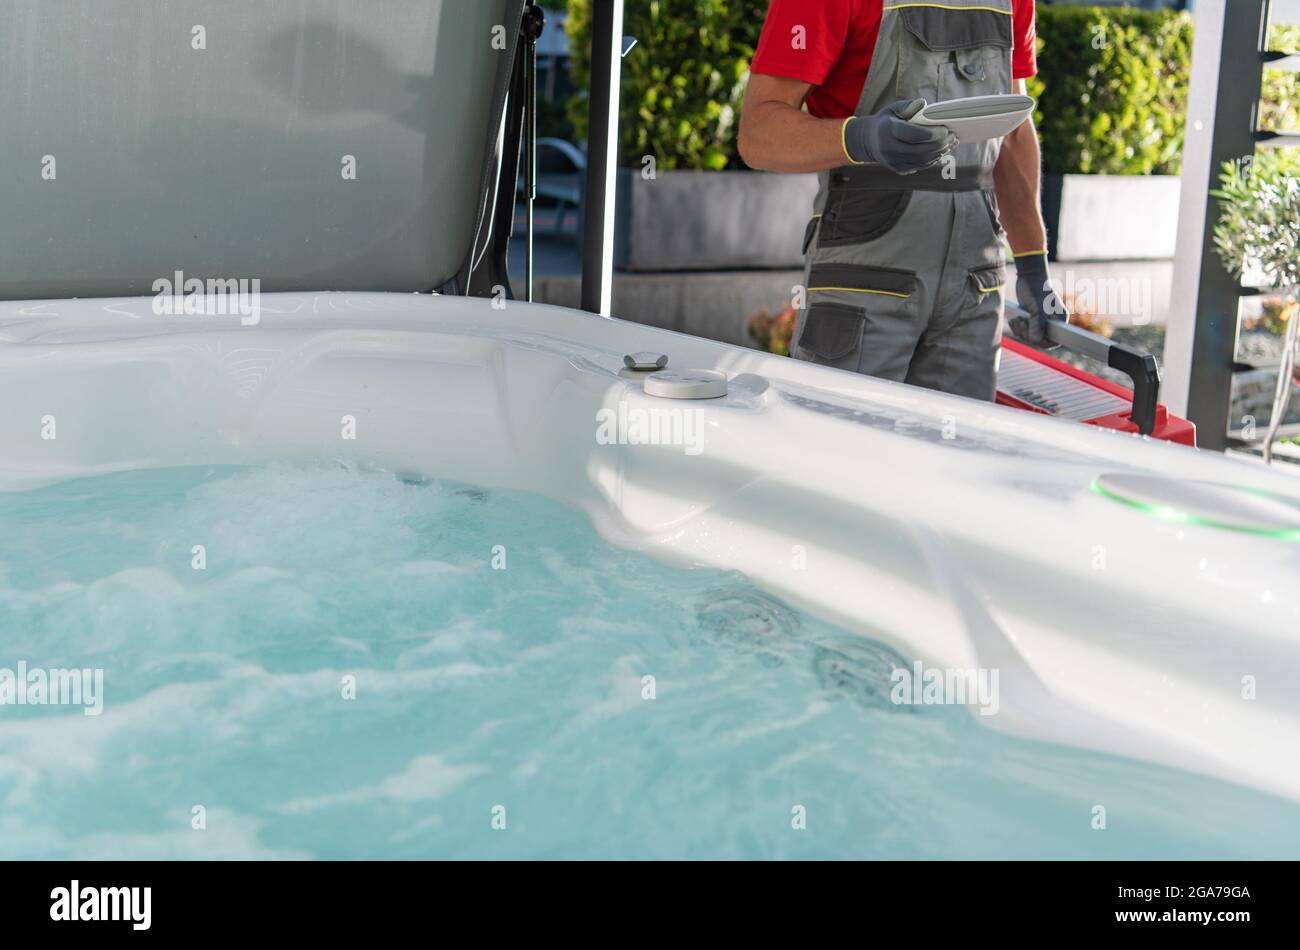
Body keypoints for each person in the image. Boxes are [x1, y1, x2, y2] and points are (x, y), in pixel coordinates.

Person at [738, 0, 1068, 400]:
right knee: (844, 447)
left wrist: (1034, 264)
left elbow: (1013, 131)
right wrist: (860, 137)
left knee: (957, 453)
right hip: (865, 272)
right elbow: (758, 133)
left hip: (975, 282)